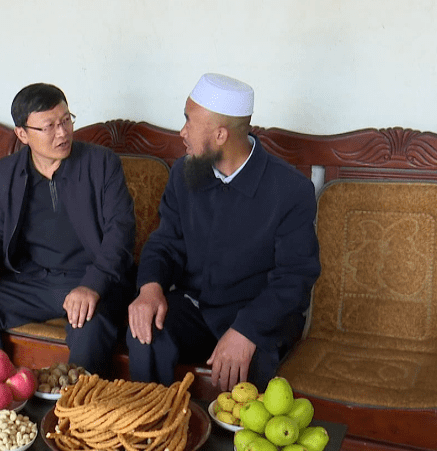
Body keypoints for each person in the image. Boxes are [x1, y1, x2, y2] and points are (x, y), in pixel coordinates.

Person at [126, 73, 321, 392]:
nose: (182, 131)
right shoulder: (184, 172)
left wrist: (246, 331)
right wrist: (150, 288)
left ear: (220, 135)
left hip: (257, 315)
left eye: (189, 121)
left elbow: (295, 277)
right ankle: (154, 430)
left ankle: (232, 443)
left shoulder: (289, 190)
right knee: (145, 331)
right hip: (196, 307)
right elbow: (165, 243)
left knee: (254, 374)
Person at [0, 83, 135, 376]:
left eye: (66, 120)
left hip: (91, 278)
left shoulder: (101, 164)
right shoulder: (8, 171)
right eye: (48, 126)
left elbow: (120, 234)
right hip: (33, 281)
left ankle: (78, 414)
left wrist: (91, 285)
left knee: (91, 324)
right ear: (22, 134)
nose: (62, 133)